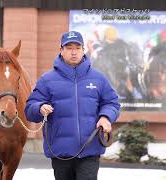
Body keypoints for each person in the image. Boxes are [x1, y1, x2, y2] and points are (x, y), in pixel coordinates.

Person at [25, 31, 120, 180]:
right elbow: (30, 109)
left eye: (77, 47)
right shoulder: (47, 80)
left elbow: (112, 102)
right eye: (69, 48)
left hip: (90, 149)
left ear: (83, 50)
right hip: (60, 152)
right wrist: (39, 107)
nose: (73, 52)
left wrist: (105, 117)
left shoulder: (98, 78)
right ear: (61, 51)